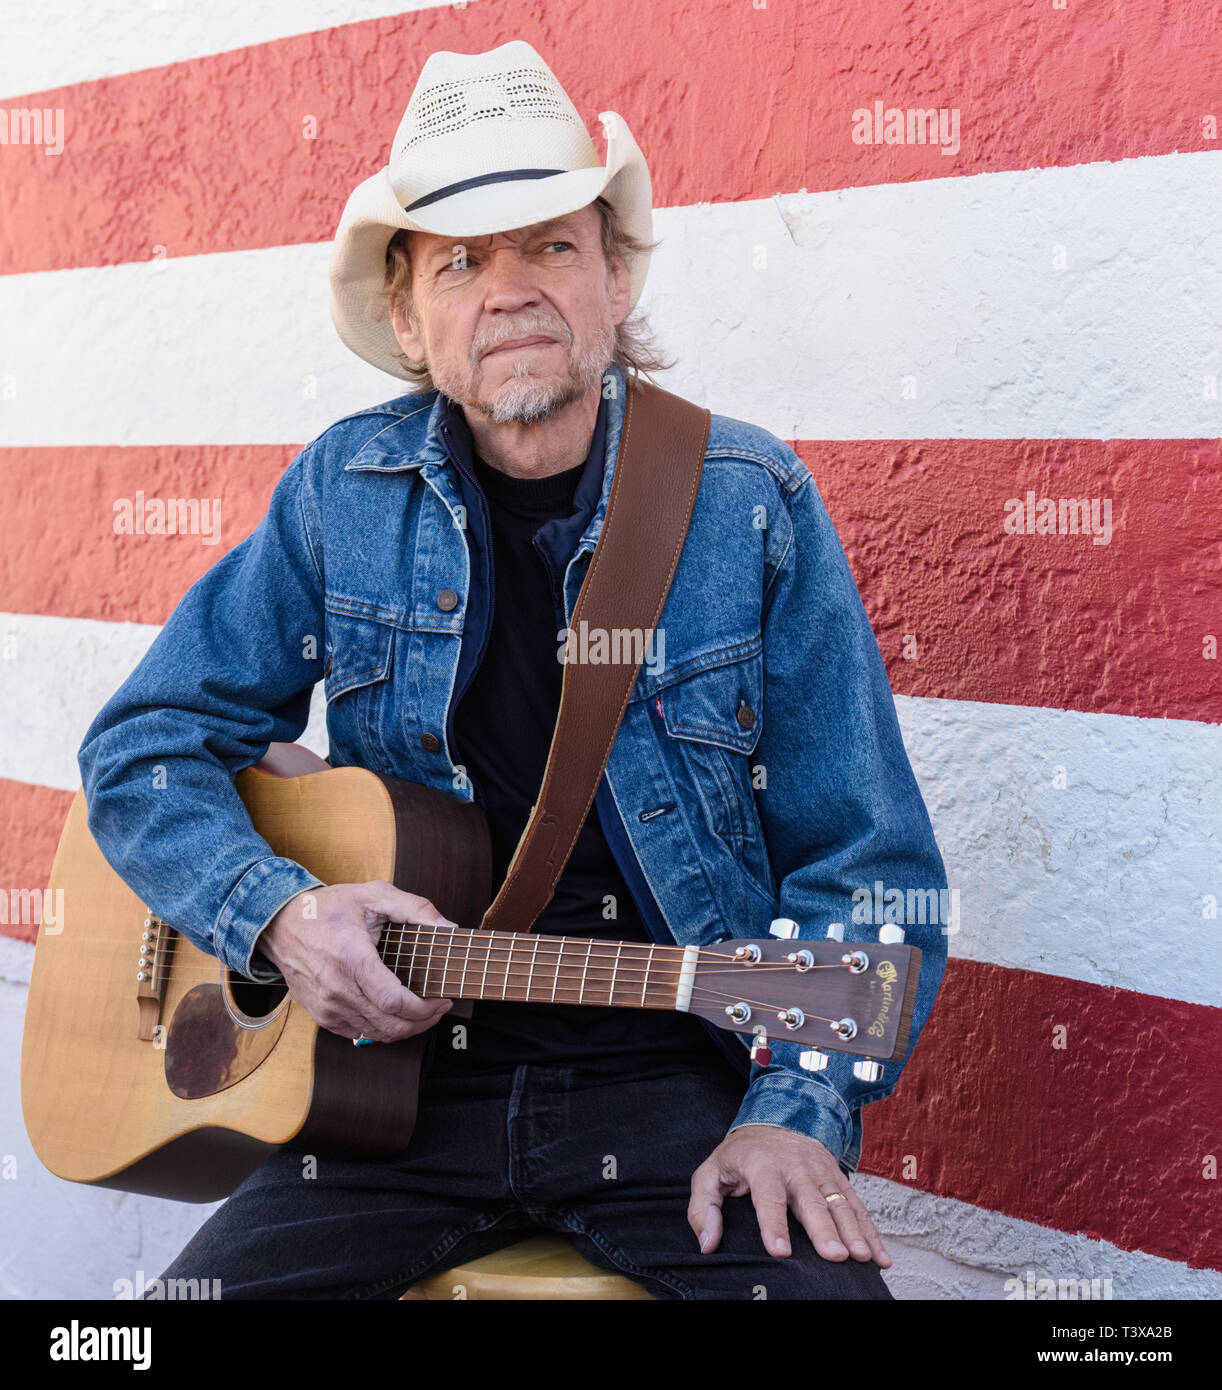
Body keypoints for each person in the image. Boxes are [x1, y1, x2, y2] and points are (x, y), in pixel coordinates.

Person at [78, 39, 948, 1300]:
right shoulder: (342, 490)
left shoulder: (746, 503)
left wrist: (794, 1114)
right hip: (387, 1094)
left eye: (551, 244)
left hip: (665, 1083)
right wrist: (276, 911)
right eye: (461, 261)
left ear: (611, 277)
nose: (512, 289)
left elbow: (869, 872)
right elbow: (143, 744)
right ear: (408, 314)